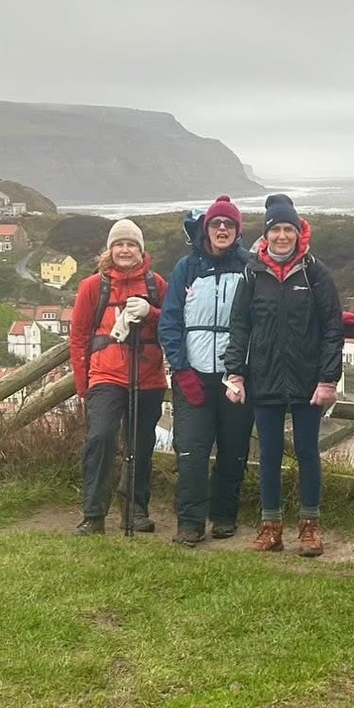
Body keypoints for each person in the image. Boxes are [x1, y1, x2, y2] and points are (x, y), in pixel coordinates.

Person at [223, 194, 344, 557]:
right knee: (270, 454)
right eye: (275, 229)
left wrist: (328, 380)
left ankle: (310, 528)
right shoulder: (252, 273)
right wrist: (235, 374)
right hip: (265, 378)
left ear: (299, 232)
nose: (281, 236)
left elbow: (332, 329)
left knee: (308, 452)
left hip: (309, 382)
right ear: (266, 233)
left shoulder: (315, 273)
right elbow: (239, 326)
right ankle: (270, 527)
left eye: (288, 229)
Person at [158, 195, 256, 546]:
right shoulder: (186, 267)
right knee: (191, 451)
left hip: (236, 376)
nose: (223, 229)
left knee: (233, 449)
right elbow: (170, 322)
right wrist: (181, 370)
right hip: (193, 374)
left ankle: (225, 516)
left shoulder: (249, 266)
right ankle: (190, 522)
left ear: (237, 231)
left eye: (229, 224)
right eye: (217, 223)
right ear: (207, 228)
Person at [68, 219, 168, 535]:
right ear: (110, 250)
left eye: (131, 245)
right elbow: (79, 335)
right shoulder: (91, 287)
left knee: (140, 444)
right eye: (119, 244)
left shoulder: (157, 285)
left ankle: (134, 511)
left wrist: (151, 313)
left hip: (148, 377)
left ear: (141, 250)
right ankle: (94, 514)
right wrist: (83, 385)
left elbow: (171, 325)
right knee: (101, 438)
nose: (125, 250)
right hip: (105, 375)